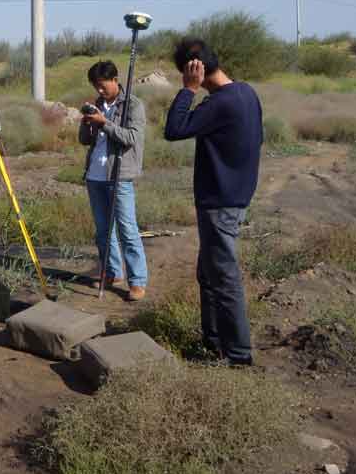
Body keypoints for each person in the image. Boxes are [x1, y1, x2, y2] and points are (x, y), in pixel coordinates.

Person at [164, 38, 263, 366]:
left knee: (223, 278)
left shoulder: (219, 102)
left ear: (196, 69)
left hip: (220, 202)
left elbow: (174, 129)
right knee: (209, 274)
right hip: (233, 197)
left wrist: (188, 90)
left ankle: (238, 356)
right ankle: (214, 341)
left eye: (187, 72)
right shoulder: (246, 92)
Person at [78, 60, 149, 301]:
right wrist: (87, 123)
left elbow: (131, 138)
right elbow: (85, 141)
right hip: (95, 176)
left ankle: (137, 281)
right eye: (95, 86)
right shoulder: (97, 105)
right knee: (103, 232)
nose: (100, 90)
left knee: (127, 230)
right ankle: (112, 272)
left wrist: (104, 123)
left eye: (102, 85)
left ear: (114, 79)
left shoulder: (133, 105)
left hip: (119, 176)